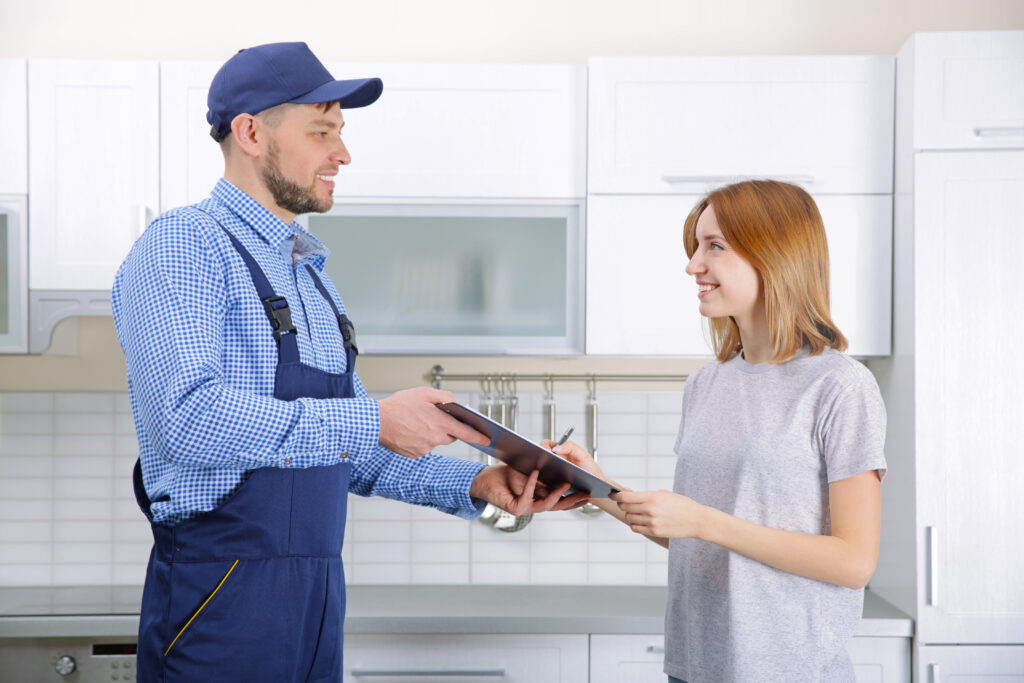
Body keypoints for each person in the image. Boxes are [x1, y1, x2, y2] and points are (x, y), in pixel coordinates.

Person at [112, 41, 589, 683]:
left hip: (316, 603)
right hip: (217, 603)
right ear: (251, 133)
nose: (343, 153)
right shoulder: (183, 246)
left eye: (340, 132)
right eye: (321, 131)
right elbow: (187, 419)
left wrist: (475, 486)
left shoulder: (309, 272)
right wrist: (375, 420)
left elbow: (349, 450)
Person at [549, 180, 887, 682]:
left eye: (715, 247)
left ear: (775, 255)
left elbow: (854, 562)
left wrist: (704, 521)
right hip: (694, 666)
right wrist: (594, 484)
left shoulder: (840, 386)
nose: (692, 265)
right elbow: (695, 534)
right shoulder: (707, 383)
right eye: (696, 246)